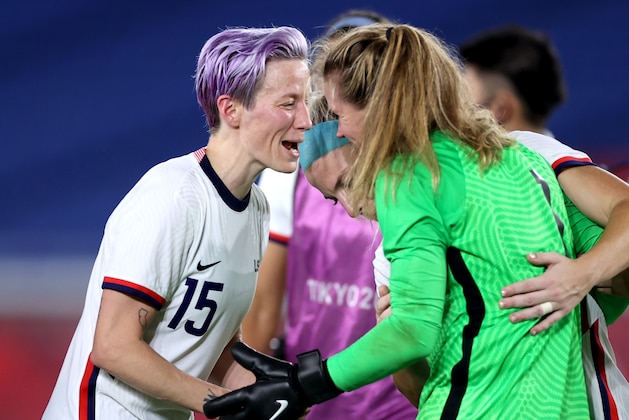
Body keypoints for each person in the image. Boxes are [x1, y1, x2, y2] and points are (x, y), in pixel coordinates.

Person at [204, 23, 597, 419]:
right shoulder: (525, 159)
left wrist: (303, 384)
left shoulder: (409, 178)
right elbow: (614, 286)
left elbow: (411, 332)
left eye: (340, 115)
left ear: (377, 110)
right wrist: (575, 282)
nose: (352, 207)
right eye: (332, 199)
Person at [42, 26, 312, 419]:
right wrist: (222, 402)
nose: (305, 119)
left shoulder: (257, 208)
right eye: (289, 103)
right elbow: (114, 346)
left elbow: (209, 343)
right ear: (231, 108)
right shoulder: (171, 197)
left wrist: (275, 390)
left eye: (306, 102)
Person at [241, 9, 418, 419]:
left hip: (401, 399)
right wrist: (261, 390)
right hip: (316, 394)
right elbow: (265, 303)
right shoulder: (289, 175)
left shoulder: (418, 179)